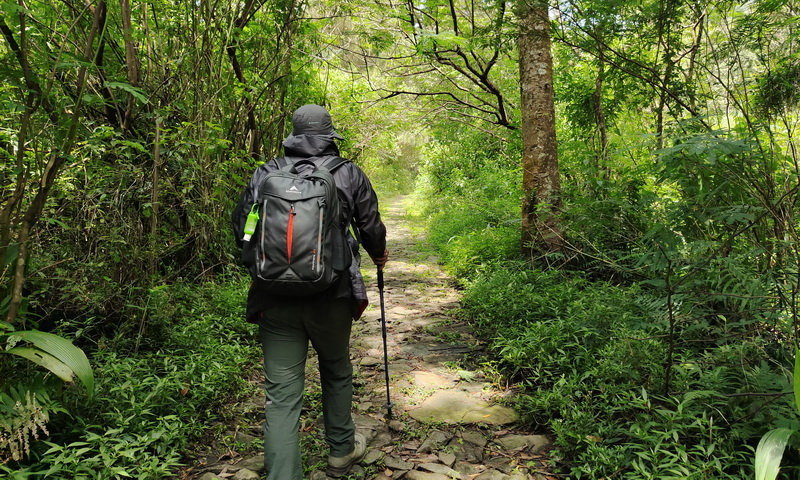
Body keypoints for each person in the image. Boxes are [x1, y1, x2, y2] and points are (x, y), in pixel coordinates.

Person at [231, 104, 388, 480]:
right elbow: (370, 226)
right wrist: (379, 254)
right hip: (331, 296)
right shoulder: (348, 172)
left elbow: (242, 229)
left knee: (281, 394)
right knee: (335, 370)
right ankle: (340, 450)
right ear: (330, 134)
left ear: (293, 134)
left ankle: (284, 474)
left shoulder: (266, 172)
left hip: (274, 297)